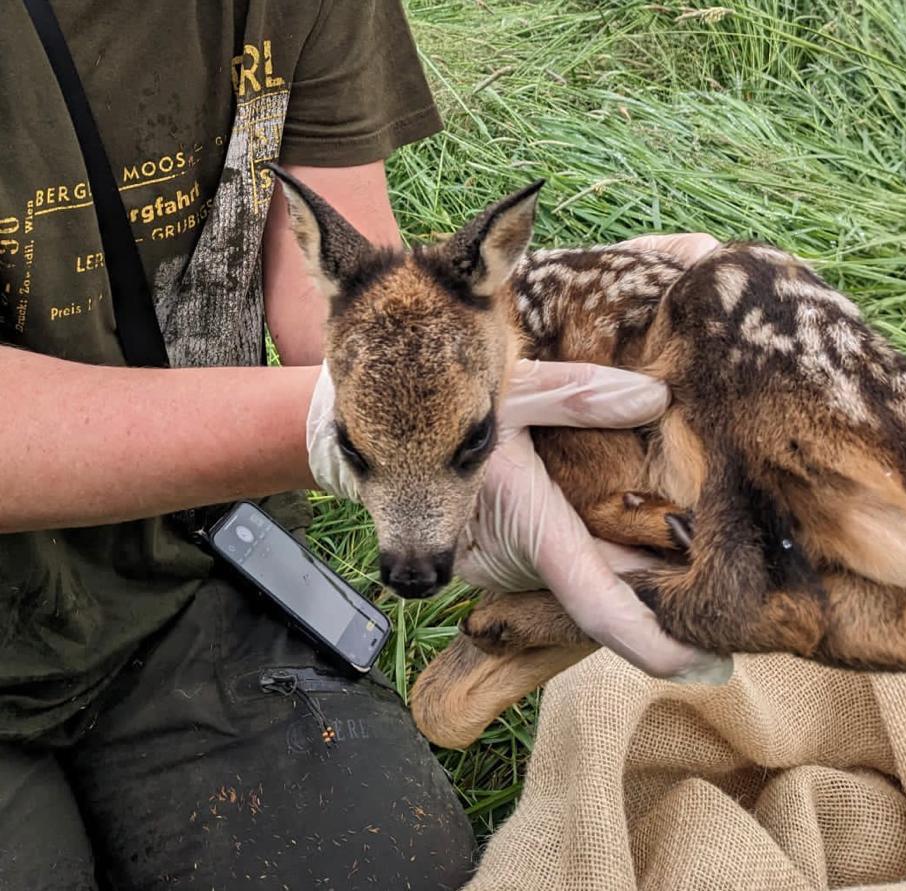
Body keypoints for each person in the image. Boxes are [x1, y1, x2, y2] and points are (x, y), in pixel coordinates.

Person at [0, 2, 720, 888]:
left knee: (382, 863)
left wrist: (457, 367)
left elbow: (339, 282)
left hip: (186, 561)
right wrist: (321, 430)